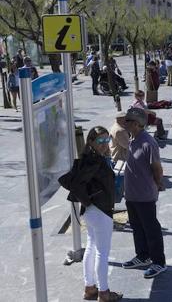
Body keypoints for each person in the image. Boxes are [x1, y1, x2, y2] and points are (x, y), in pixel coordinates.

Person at [71, 127, 123, 302]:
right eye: (99, 141)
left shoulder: (92, 158)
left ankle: (89, 288)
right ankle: (104, 293)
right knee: (102, 253)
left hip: (91, 212)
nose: (104, 144)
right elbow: (77, 184)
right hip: (99, 212)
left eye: (106, 140)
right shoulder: (95, 161)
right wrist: (88, 200)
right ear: (91, 142)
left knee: (92, 247)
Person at [121, 108, 167, 278]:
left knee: (151, 229)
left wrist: (158, 184)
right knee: (137, 227)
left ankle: (159, 262)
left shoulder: (148, 143)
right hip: (132, 195)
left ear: (137, 123)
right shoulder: (133, 139)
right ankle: (143, 256)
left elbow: (157, 168)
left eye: (128, 121)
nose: (125, 124)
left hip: (145, 195)